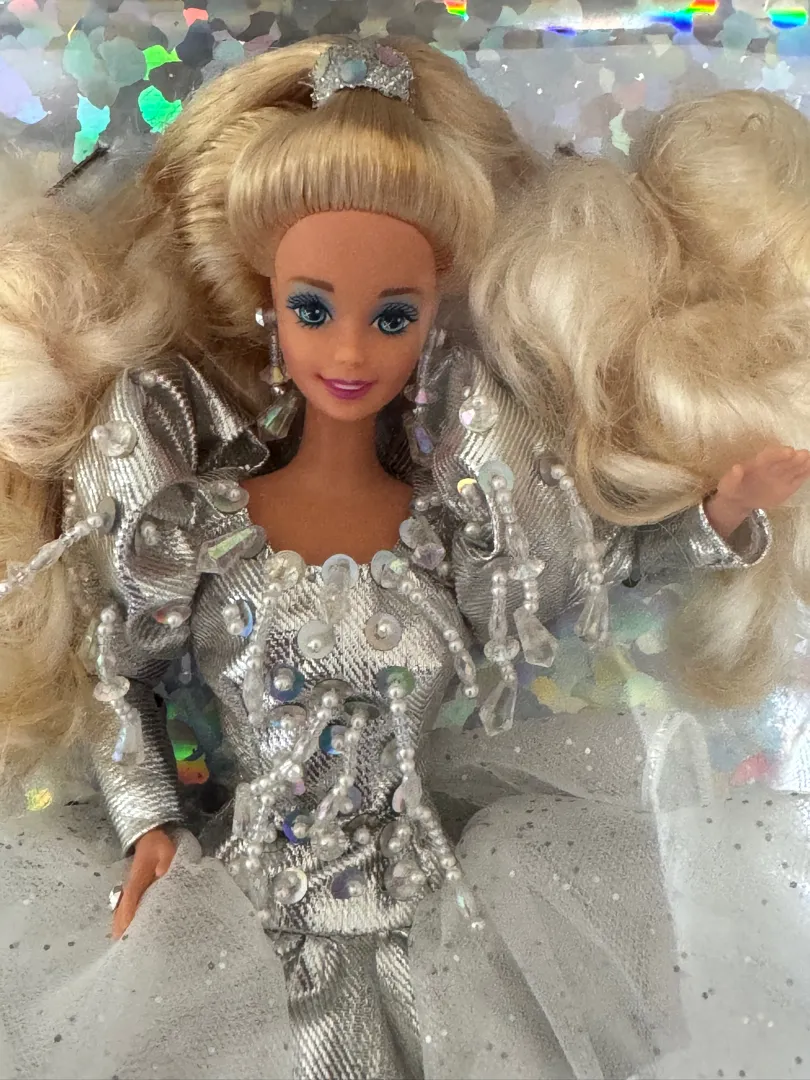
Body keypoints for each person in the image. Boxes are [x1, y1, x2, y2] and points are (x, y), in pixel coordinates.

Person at [0, 36, 808, 1080]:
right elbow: (124, 677)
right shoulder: (200, 523)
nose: (349, 351)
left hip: (433, 939)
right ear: (267, 303)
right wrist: (149, 821)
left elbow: (597, 569)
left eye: (390, 316)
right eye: (313, 309)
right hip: (241, 938)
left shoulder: (458, 530)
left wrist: (720, 512)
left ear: (432, 317)